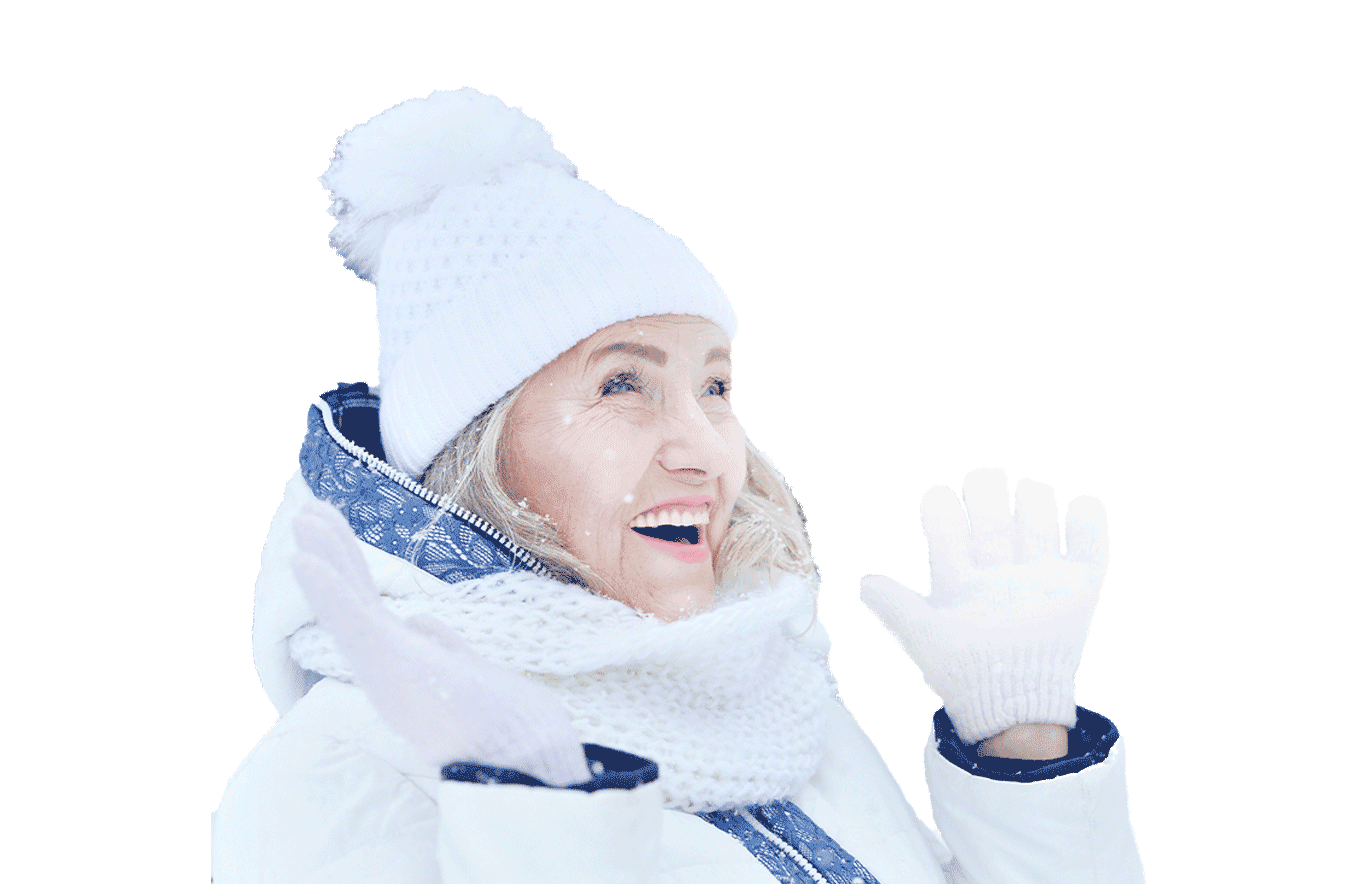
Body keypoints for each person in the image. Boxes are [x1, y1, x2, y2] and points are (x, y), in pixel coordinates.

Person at [212, 89, 1145, 883]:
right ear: (476, 446)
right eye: (623, 385)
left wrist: (1022, 735)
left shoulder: (756, 692)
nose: (706, 450)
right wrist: (540, 812)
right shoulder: (330, 776)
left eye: (716, 388)